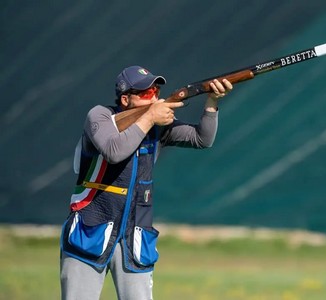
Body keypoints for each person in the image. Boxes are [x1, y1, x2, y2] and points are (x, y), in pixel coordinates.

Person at [60, 65, 233, 300]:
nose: (153, 96)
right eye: (144, 93)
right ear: (124, 99)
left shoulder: (158, 126)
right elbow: (114, 151)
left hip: (136, 234)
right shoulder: (99, 115)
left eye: (155, 90)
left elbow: (202, 139)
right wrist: (151, 117)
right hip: (90, 228)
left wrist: (212, 101)